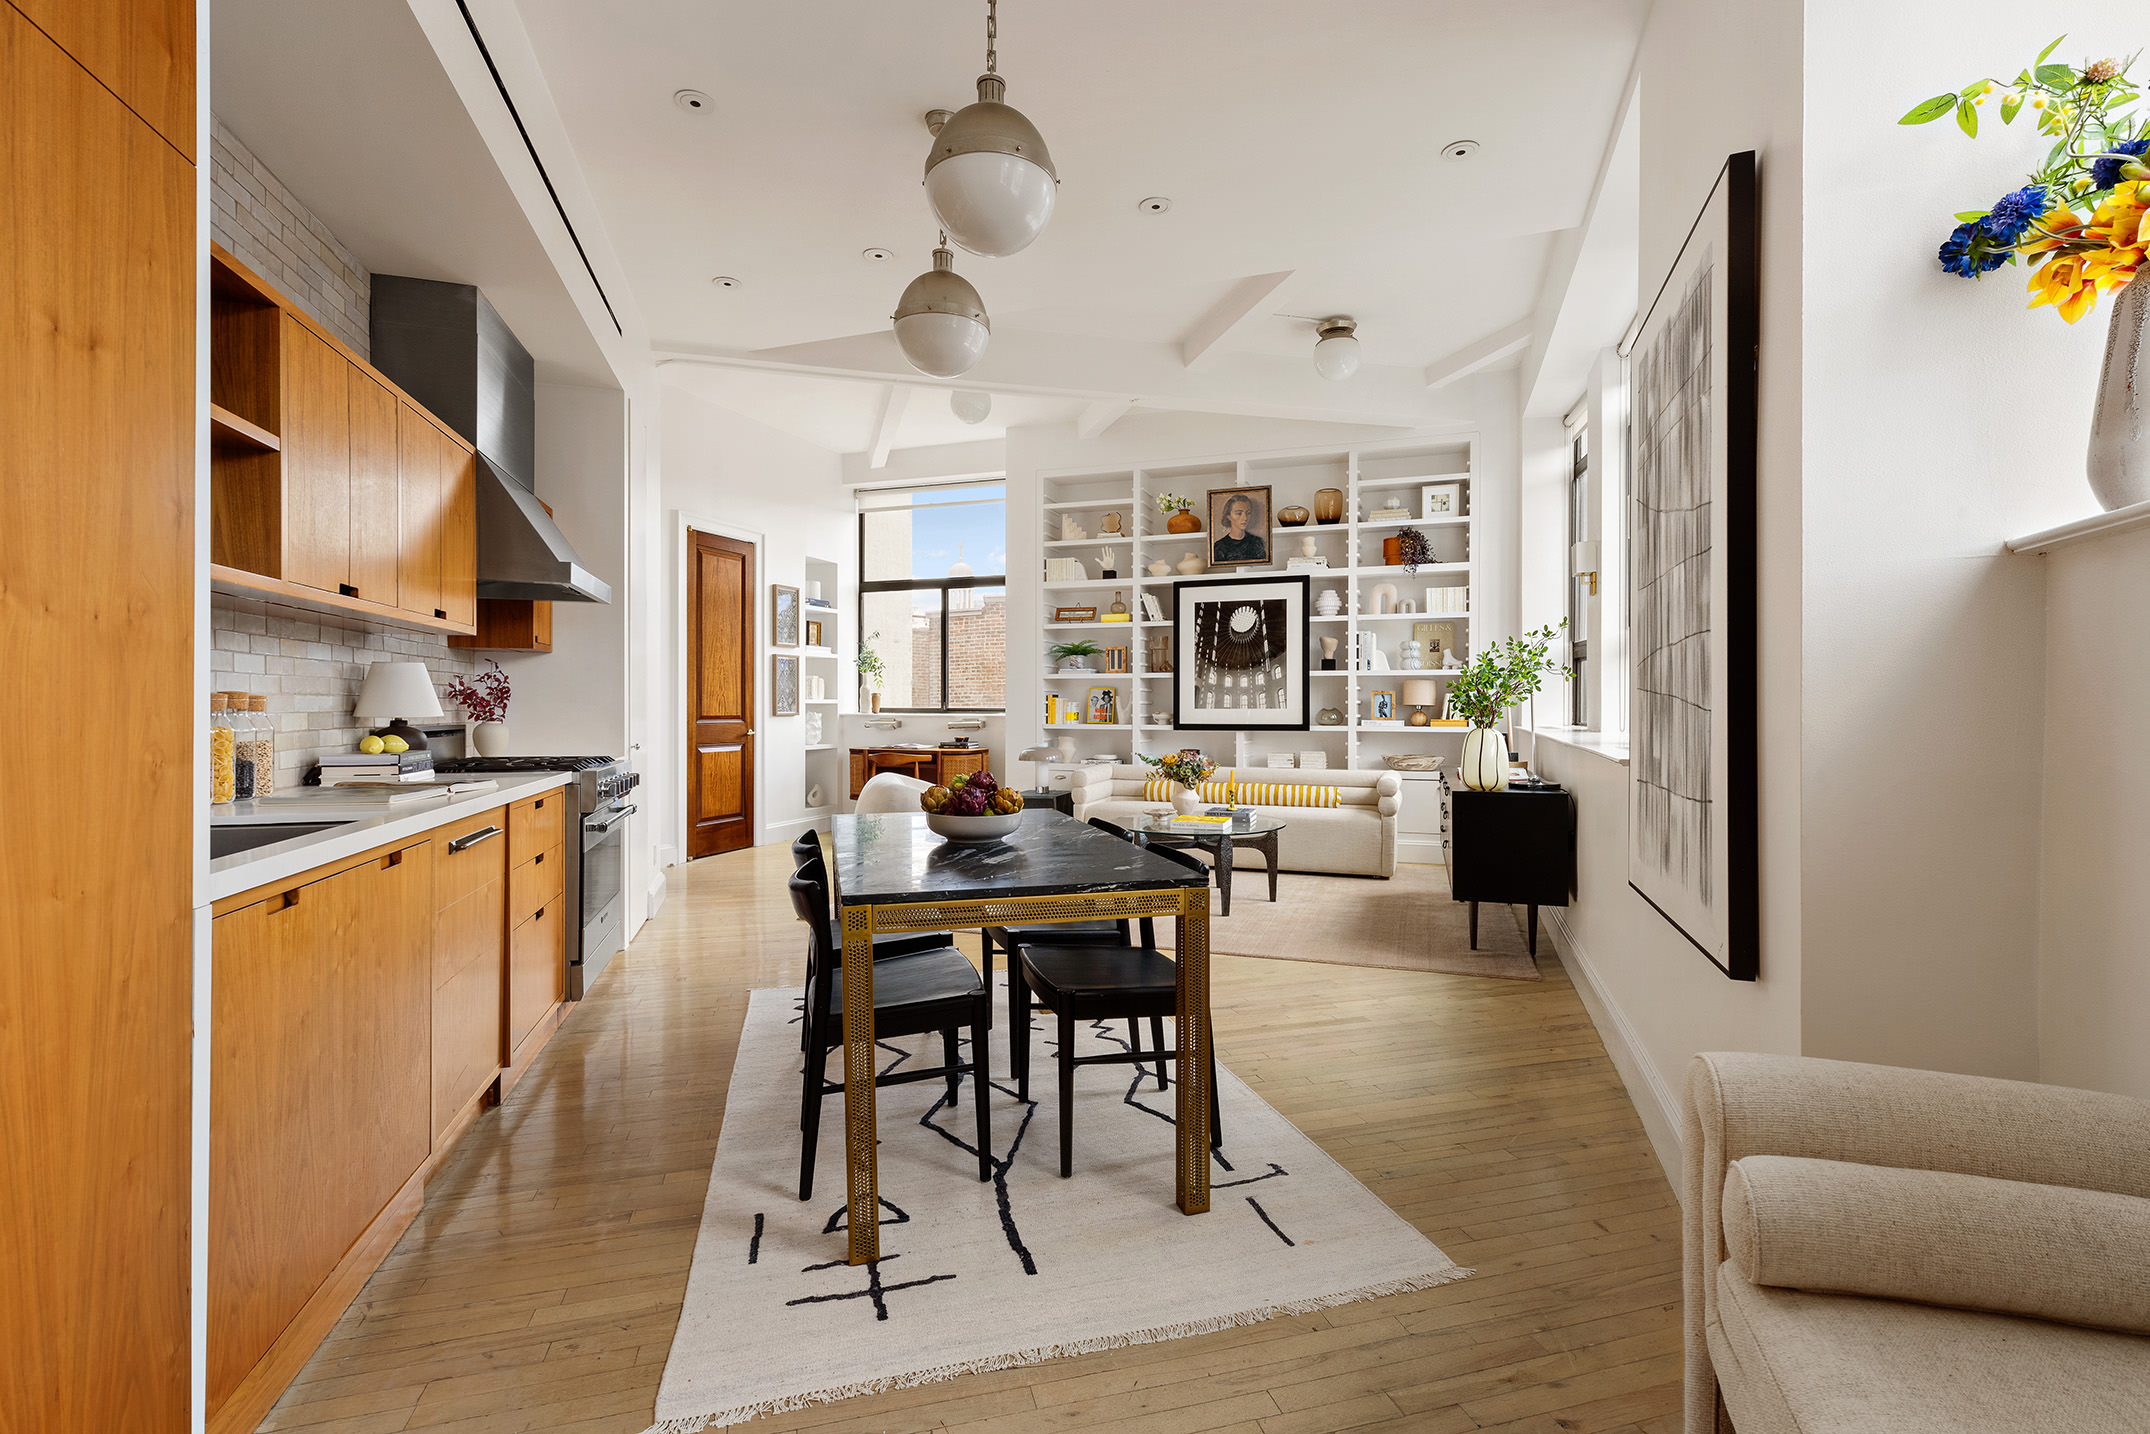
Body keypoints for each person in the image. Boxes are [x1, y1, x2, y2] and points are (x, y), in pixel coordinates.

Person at [1211, 492, 1267, 563]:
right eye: (1239, 513)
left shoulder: (1257, 542)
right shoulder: (1219, 546)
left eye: (1248, 513)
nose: (1245, 518)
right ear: (1228, 516)